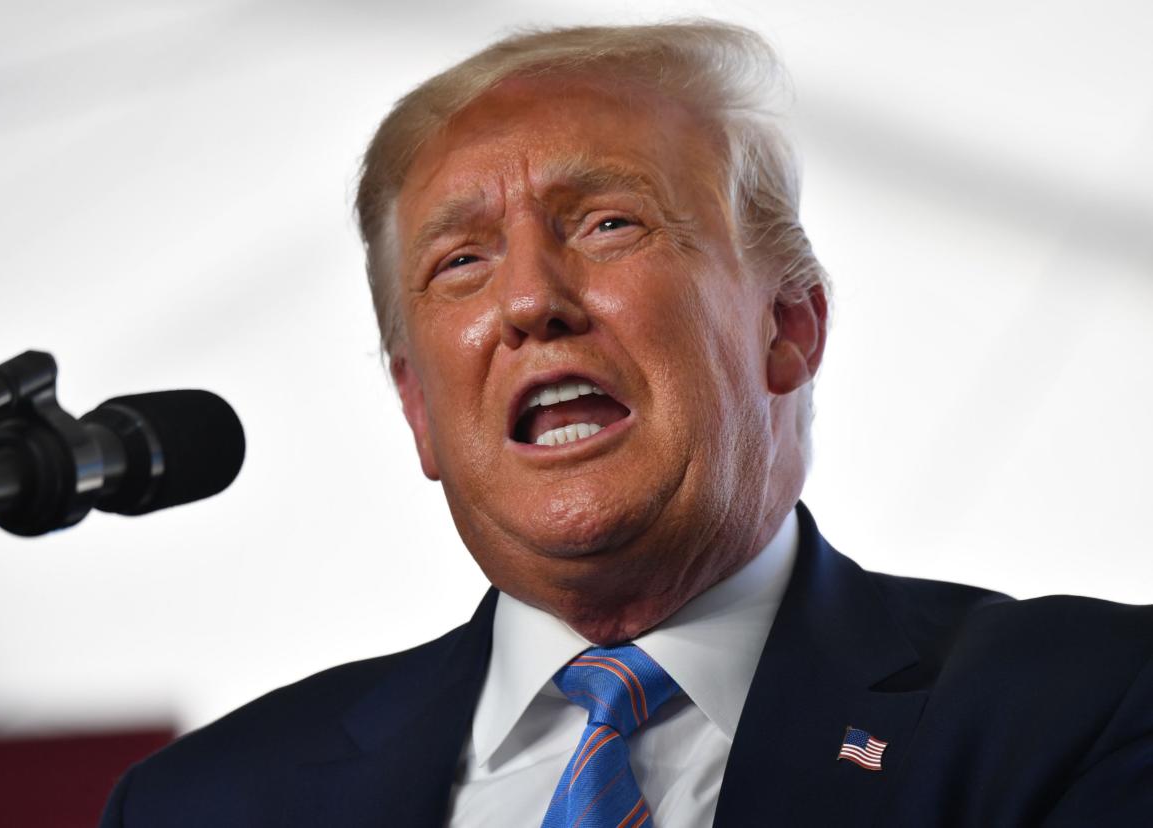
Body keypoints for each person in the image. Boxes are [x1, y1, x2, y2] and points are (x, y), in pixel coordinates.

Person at [100, 21, 1153, 827]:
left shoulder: (1077, 707)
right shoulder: (209, 803)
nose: (528, 302)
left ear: (788, 325)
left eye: (609, 224)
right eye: (460, 261)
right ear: (419, 408)